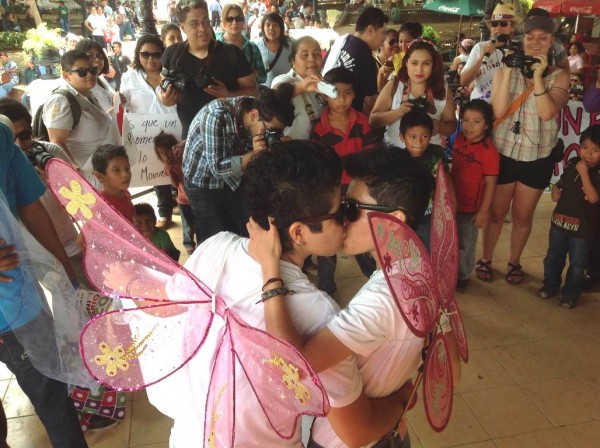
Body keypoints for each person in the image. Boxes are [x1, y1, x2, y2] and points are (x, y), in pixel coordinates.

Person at [149, 139, 414, 447]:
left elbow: (170, 305)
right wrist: (403, 397)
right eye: (340, 210)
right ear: (298, 233)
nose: (346, 221)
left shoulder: (215, 246)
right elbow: (357, 431)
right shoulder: (319, 315)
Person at [247, 144, 438, 448]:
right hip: (393, 433)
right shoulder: (423, 271)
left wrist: (271, 269)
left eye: (352, 209)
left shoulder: (379, 300)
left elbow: (291, 366)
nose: (342, 221)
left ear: (395, 220)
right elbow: (446, 355)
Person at [0, 116, 89, 447]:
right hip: (15, 305)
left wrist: (66, 268)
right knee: (54, 404)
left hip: (16, 305)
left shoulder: (2, 139)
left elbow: (29, 205)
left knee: (53, 399)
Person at [479, 15, 570, 284]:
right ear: (522, 40)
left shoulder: (560, 76)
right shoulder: (506, 70)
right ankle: (485, 257)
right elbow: (497, 110)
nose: (536, 43)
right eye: (530, 37)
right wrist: (507, 70)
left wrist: (539, 78)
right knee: (496, 214)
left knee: (522, 216)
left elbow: (546, 113)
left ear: (552, 41)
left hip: (537, 156)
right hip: (504, 152)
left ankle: (514, 261)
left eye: (543, 38)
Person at [183, 85, 295, 242]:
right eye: (270, 130)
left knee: (249, 228)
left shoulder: (255, 110)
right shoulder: (216, 116)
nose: (271, 135)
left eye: (278, 132)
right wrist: (255, 154)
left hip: (236, 179)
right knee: (215, 236)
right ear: (255, 115)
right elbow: (218, 168)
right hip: (204, 182)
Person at [310, 66, 376, 294]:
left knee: (358, 236)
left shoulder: (362, 122)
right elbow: (319, 166)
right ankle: (326, 288)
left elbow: (369, 157)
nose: (342, 99)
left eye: (347, 93)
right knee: (326, 241)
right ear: (324, 94)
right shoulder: (319, 128)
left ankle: (377, 280)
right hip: (331, 194)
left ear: (354, 95)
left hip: (356, 194)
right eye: (335, 93)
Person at [159, 0, 258, 138]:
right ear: (182, 26)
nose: (203, 29)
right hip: (190, 139)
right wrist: (164, 99)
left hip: (230, 139)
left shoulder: (231, 53)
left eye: (206, 21)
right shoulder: (172, 54)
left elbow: (253, 89)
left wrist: (228, 94)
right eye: (194, 24)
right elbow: (162, 85)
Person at [538, 125, 600, 308]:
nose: (588, 154)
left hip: (582, 229)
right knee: (553, 257)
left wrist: (584, 173)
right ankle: (550, 285)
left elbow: (593, 197)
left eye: (595, 150)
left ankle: (571, 293)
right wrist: (556, 189)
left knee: (578, 263)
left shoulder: (595, 173)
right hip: (559, 222)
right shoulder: (573, 163)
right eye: (585, 148)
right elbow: (562, 181)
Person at [121, 35, 177, 229]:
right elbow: (123, 105)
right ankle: (164, 213)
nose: (151, 59)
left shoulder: (172, 74)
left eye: (156, 54)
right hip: (144, 134)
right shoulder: (129, 77)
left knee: (178, 170)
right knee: (156, 174)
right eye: (145, 54)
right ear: (138, 55)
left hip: (173, 131)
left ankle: (185, 208)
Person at [43, 50, 120, 178]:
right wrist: (74, 169)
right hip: (85, 175)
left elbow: (95, 121)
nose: (89, 75)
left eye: (92, 70)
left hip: (103, 171)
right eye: (82, 72)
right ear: (66, 76)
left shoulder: (87, 93)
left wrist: (116, 108)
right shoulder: (61, 100)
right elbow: (56, 141)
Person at [370, 40, 457, 149]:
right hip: (393, 159)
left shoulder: (442, 88)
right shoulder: (395, 85)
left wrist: (440, 126)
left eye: (426, 63)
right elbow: (373, 120)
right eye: (414, 63)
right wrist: (398, 112)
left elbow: (452, 125)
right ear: (406, 63)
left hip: (428, 162)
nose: (419, 69)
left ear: (433, 65)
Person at [450, 99, 499, 289]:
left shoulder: (490, 152)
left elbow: (491, 184)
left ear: (486, 124)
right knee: (451, 240)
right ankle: (450, 271)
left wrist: (484, 211)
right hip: (452, 202)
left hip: (471, 208)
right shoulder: (460, 138)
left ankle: (463, 276)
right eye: (465, 120)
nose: (469, 126)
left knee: (466, 245)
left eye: (476, 122)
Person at [399, 110, 452, 251]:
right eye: (413, 137)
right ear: (402, 137)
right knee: (412, 253)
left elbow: (447, 181)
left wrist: (453, 205)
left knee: (434, 251)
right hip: (408, 218)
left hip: (434, 216)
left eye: (424, 136)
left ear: (431, 135)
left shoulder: (437, 154)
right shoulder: (398, 160)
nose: (419, 142)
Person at [323, 7, 388, 115]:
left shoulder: (340, 42)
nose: (384, 38)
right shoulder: (366, 58)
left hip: (326, 111)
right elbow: (371, 101)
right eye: (383, 32)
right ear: (370, 30)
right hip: (348, 118)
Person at [460, 2, 520, 102]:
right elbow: (464, 81)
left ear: (512, 27)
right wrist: (481, 57)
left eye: (504, 23)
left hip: (507, 106)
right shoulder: (479, 47)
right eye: (494, 24)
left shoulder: (517, 49)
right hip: (481, 106)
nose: (498, 28)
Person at [272, 36, 327, 140]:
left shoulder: (323, 85)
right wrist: (302, 86)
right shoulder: (284, 80)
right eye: (305, 55)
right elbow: (276, 94)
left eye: (316, 54)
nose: (311, 58)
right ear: (293, 61)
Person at [154, 132, 198, 254]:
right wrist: (170, 170)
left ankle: (201, 244)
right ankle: (189, 246)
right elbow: (174, 184)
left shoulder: (185, 158)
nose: (166, 155)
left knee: (198, 223)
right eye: (162, 154)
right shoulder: (167, 167)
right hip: (183, 199)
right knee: (186, 225)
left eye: (168, 151)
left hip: (196, 198)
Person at [217, 3, 267, 85]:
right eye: (229, 19)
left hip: (247, 95)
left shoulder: (252, 48)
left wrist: (256, 75)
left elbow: (263, 77)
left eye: (238, 18)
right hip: (222, 96)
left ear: (243, 20)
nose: (234, 22)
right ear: (223, 21)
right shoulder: (215, 46)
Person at [92, 144, 135, 223]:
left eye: (127, 168)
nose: (125, 174)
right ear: (100, 176)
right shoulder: (101, 207)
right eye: (117, 170)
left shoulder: (124, 193)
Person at [254, 12, 293, 88]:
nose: (271, 28)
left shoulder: (291, 43)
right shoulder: (256, 45)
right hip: (265, 92)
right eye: (268, 25)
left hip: (286, 90)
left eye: (275, 25)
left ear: (281, 27)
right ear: (263, 28)